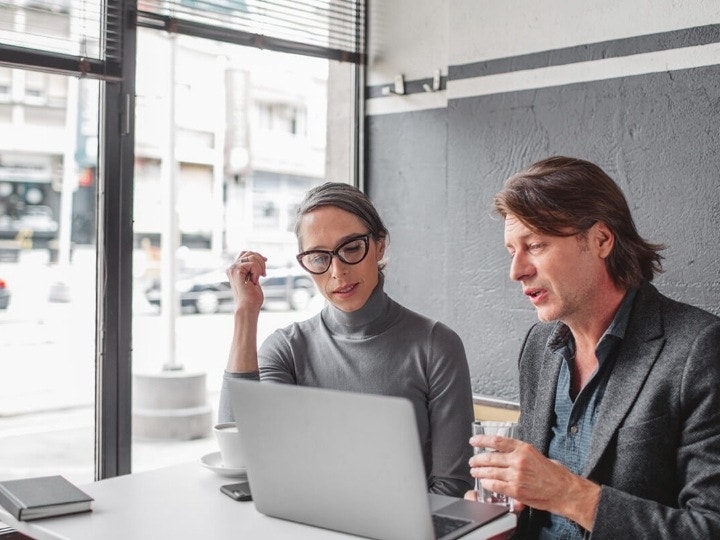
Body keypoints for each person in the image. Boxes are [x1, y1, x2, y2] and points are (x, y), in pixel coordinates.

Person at [467, 156, 720, 538]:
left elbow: (709, 526)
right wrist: (502, 523)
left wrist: (567, 494)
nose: (516, 270)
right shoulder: (538, 347)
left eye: (535, 245)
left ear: (601, 240)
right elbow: (536, 512)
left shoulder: (698, 349)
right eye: (510, 251)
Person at [218, 181, 474, 497]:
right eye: (318, 257)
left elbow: (453, 486)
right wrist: (246, 312)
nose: (337, 271)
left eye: (351, 248)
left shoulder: (437, 346)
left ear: (380, 246)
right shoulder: (287, 350)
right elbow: (240, 458)